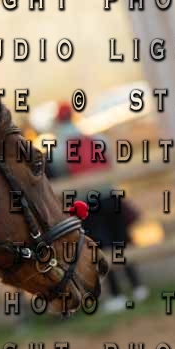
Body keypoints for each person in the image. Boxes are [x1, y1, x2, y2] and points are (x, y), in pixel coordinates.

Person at [64, 125, 149, 312]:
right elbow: (111, 163)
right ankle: (137, 287)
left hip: (87, 204)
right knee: (122, 241)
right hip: (110, 196)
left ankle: (117, 295)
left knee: (101, 249)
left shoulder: (61, 149)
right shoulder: (98, 139)